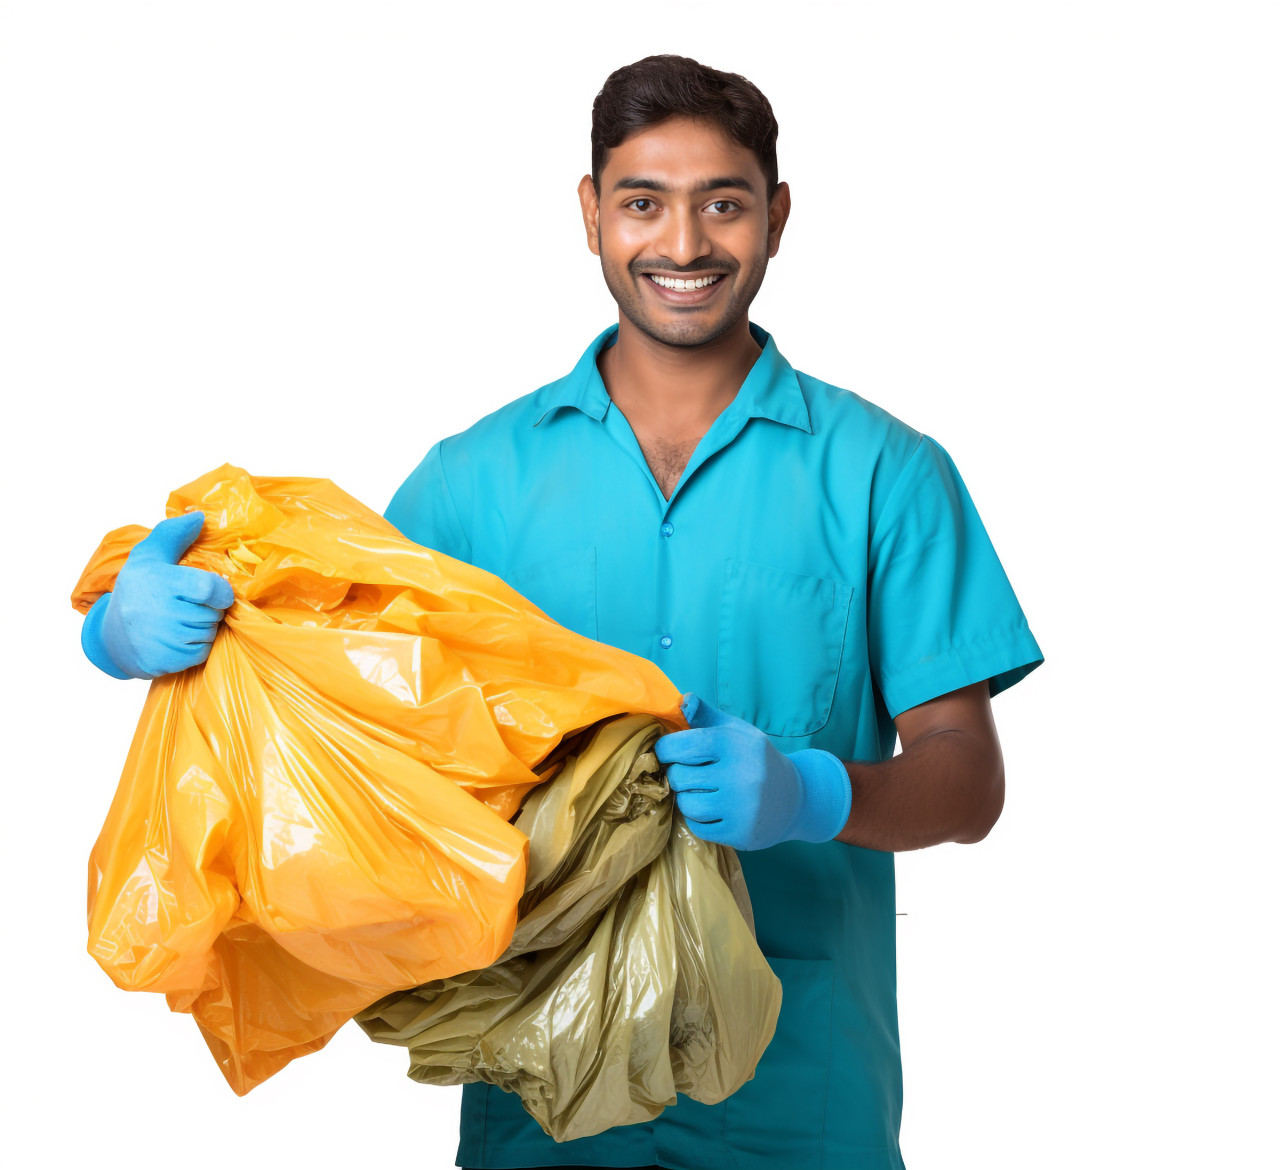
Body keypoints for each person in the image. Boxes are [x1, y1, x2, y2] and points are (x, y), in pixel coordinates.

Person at [79, 54, 1044, 1170]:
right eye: (642, 202)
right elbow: (329, 701)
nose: (682, 244)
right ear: (590, 215)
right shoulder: (470, 484)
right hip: (538, 1092)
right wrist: (133, 640)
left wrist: (811, 792)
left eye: (721, 203)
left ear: (776, 217)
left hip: (800, 1096)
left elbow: (966, 780)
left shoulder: (885, 475)